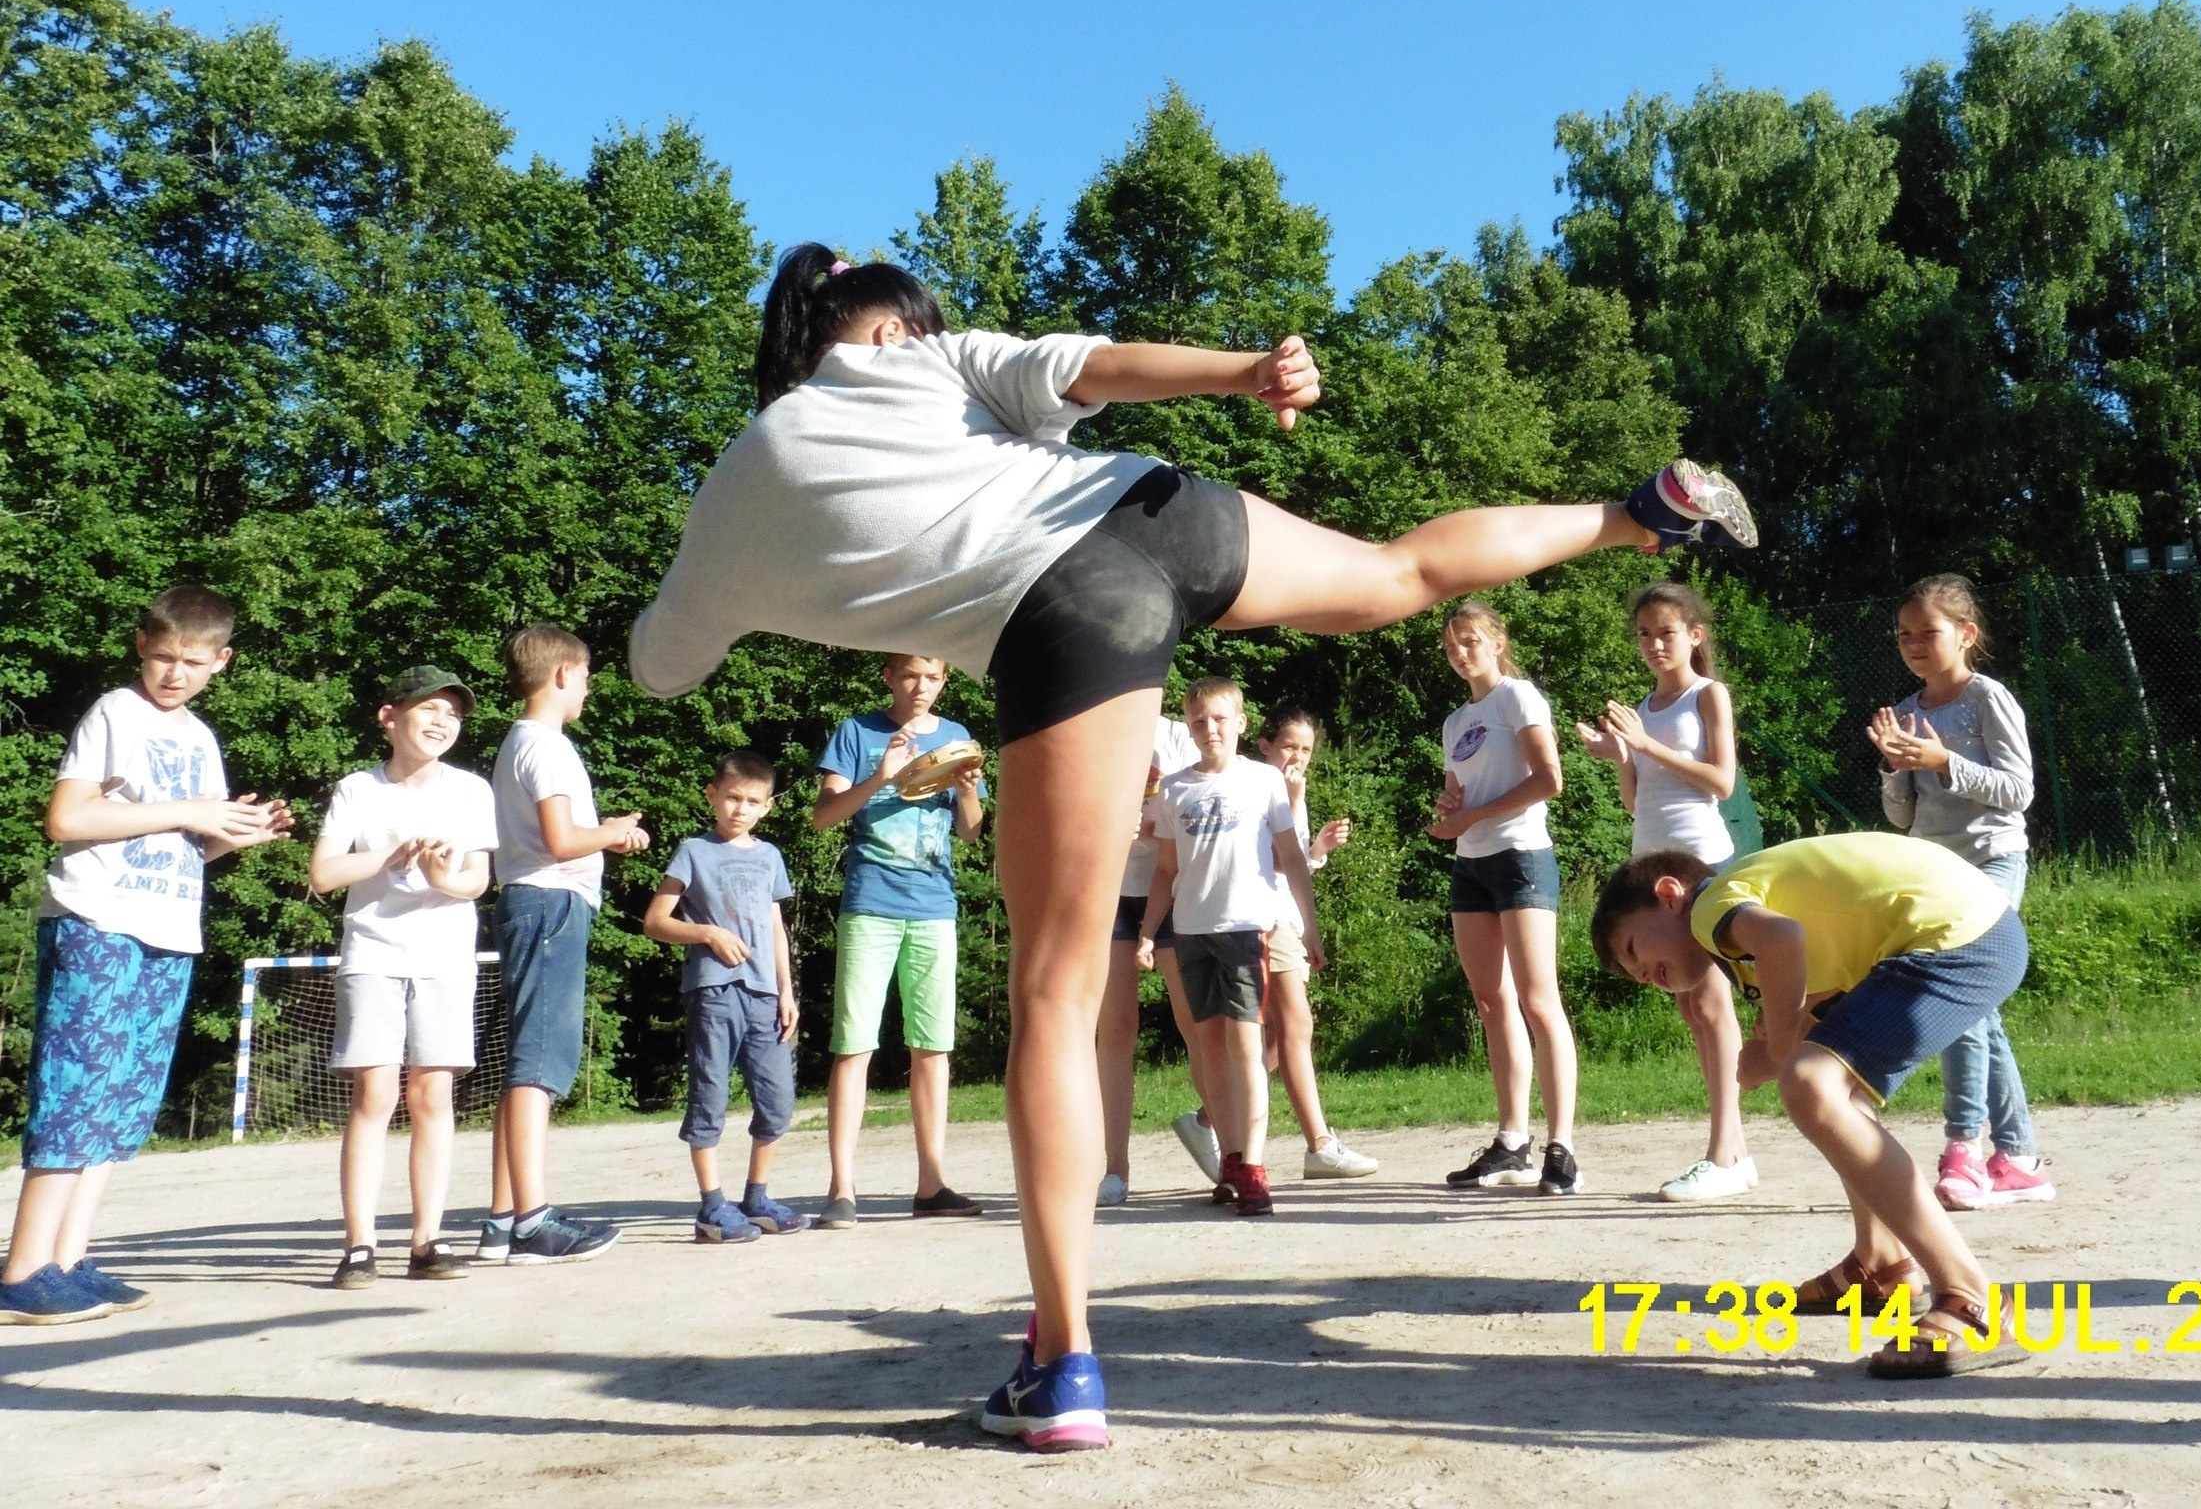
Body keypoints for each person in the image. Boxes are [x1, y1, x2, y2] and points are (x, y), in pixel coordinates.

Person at [629, 247, 1754, 1449]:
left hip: (1063, 610)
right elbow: (1096, 367)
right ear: (890, 329)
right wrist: (1245, 371)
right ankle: (1639, 515)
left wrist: (745, 585)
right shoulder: (940, 366)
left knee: (1058, 994)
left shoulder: (748, 476)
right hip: (1156, 511)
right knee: (1394, 572)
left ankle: (1060, 1362)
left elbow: (660, 663)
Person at [1591, 831, 2029, 1377]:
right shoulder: (1744, 918)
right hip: (1963, 932)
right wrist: (1784, 1037)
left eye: (1635, 950)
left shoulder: (1710, 905)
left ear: (1669, 893)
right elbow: (1810, 984)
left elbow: (1783, 940)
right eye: (1637, 978)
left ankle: (1972, 1300)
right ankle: (1881, 1264)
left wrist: (1777, 1051)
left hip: (1955, 939)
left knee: (1809, 1082)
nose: (1647, 976)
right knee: (1833, 1085)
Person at [4, 586, 294, 1326]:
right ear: (142, 646)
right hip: (98, 920)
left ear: (220, 662)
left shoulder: (199, 736)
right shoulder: (115, 712)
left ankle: (69, 1259)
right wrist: (194, 811)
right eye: (163, 656)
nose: (175, 673)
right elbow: (65, 818)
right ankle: (23, 1270)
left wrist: (239, 831)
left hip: (167, 926)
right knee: (79, 1090)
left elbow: (193, 844)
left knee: (123, 1101)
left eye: (193, 662)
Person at [1868, 573, 2055, 1211]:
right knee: (1975, 1006)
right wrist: (1898, 768)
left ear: (1966, 635)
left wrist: (1943, 761)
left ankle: (1964, 1150)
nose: (1915, 644)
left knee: (1958, 999)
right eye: (1904, 635)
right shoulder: (1909, 709)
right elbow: (1900, 816)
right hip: (1933, 870)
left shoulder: (1987, 698)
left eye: (1929, 632)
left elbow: (2018, 791)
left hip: (1994, 860)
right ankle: (2020, 1158)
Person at [308, 665, 498, 1290]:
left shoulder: (471, 790)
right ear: (390, 717)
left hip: (445, 958)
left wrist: (446, 879)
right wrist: (389, 859)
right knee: (375, 1095)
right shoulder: (357, 790)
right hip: (374, 955)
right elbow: (324, 874)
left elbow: (477, 881)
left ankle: (427, 1240)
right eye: (429, 709)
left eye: (454, 713)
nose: (444, 721)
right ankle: (359, 1244)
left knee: (432, 1096)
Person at [1575, 581, 1754, 1203]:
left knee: (1710, 1003)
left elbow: (1721, 782)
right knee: (1689, 1004)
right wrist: (1620, 755)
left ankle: (1726, 1155)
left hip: (1700, 859)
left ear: (1695, 636)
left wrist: (1646, 745)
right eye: (1645, 634)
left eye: (1667, 633)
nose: (1654, 644)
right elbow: (1635, 799)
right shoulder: (1645, 708)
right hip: (1649, 862)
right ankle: (1733, 1154)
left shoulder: (1709, 695)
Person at [482, 625, 650, 1267]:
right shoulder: (546, 747)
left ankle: (503, 1221)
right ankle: (532, 1223)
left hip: (535, 905)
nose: (586, 687)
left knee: (526, 1058)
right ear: (559, 676)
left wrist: (604, 832)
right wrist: (612, 833)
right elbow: (559, 839)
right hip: (550, 903)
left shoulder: (522, 742)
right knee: (539, 1063)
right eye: (583, 676)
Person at [811, 654, 986, 1223]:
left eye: (932, 677)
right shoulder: (857, 731)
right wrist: (881, 777)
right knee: (854, 1044)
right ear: (888, 677)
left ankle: (931, 1186)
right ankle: (842, 1189)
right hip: (871, 904)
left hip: (935, 907)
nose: (920, 687)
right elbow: (824, 816)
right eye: (909, 675)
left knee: (933, 1048)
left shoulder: (957, 736)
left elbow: (970, 831)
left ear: (944, 681)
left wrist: (967, 791)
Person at [1132, 678, 1309, 1216]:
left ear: (1241, 723)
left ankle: (1254, 1166)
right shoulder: (1175, 789)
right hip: (1190, 930)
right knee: (1208, 1047)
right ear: (1188, 726)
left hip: (1245, 928)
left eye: (1219, 719)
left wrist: (1312, 928)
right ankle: (1231, 1160)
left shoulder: (1264, 781)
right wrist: (1146, 932)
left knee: (1246, 1047)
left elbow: (1291, 858)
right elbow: (1166, 871)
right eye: (1199, 721)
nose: (1210, 729)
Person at [1434, 602, 1581, 1197]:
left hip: (1522, 856)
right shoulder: (1453, 722)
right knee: (1491, 1002)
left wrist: (1472, 814)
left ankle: (1562, 1146)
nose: (1461, 652)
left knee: (1538, 1000)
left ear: (1497, 641)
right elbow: (1456, 795)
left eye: (1470, 640)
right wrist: (1448, 817)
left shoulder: (1517, 697)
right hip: (1471, 863)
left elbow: (1550, 779)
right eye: (1451, 646)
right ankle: (1512, 1140)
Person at [642, 750, 809, 1243]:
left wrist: (786, 989)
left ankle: (756, 1197)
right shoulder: (693, 851)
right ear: (713, 795)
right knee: (710, 1094)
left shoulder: (770, 857)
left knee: (778, 1101)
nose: (740, 808)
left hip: (764, 994)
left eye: (752, 800)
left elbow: (775, 927)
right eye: (732, 797)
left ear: (767, 807)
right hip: (713, 991)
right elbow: (656, 921)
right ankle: (712, 1206)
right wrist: (708, 934)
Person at [1252, 708, 1376, 1181]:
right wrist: (1295, 798)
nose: (1298, 757)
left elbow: (1295, 861)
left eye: (1305, 749)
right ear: (1264, 744)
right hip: (1267, 916)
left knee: (1276, 1040)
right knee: (1294, 1025)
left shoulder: (1286, 791)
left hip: (1287, 916)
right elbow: (1276, 863)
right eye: (1288, 746)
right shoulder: (1259, 786)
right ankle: (1319, 1145)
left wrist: (1318, 850)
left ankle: (1209, 1121)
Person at [1099, 710, 1200, 1206]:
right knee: (1115, 1028)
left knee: (1196, 1024)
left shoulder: (1181, 735)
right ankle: (1114, 1168)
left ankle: (1227, 1149)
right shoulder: (1092, 728)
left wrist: (1158, 831)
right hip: (1109, 891)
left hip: (1173, 889)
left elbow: (1206, 809)